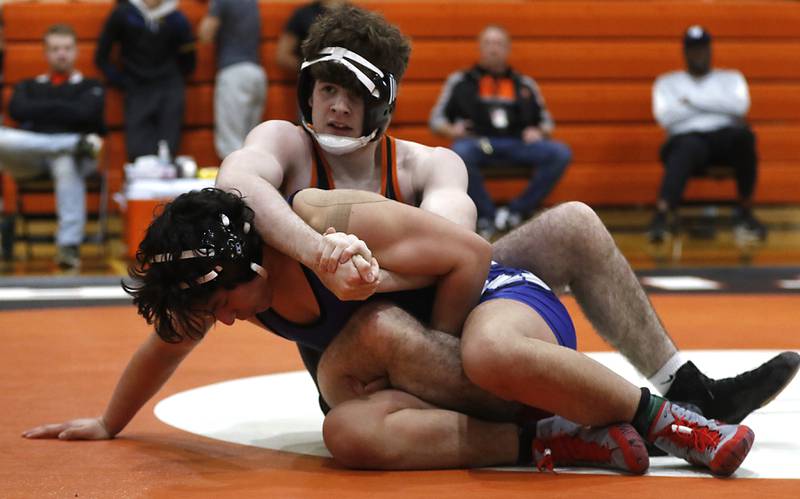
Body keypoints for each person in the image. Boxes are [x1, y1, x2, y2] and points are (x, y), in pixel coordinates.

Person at [214, 5, 800, 432]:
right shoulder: (285, 144)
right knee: (382, 324)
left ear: (385, 103)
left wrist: (372, 273)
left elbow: (458, 247)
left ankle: (687, 389)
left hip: (439, 325)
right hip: (361, 365)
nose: (338, 107)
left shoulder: (425, 165)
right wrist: (321, 255)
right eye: (326, 89)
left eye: (355, 93)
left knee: (571, 222)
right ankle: (598, 424)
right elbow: (235, 184)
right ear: (307, 91)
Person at [23, 187, 756, 477]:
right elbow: (168, 341)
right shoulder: (231, 282)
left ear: (248, 259)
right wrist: (107, 421)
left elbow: (470, 254)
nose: (224, 319)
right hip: (445, 377)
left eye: (221, 300)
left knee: (457, 343)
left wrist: (427, 345)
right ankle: (553, 439)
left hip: (496, 305)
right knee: (347, 431)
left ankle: (674, 423)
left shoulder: (330, 226)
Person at [429, 25, 572, 238]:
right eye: (488, 43)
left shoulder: (524, 84)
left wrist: (539, 132)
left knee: (560, 153)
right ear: (480, 48)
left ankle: (516, 212)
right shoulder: (461, 81)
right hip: (481, 144)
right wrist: (452, 129)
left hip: (518, 145)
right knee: (460, 152)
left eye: (499, 44)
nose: (493, 49)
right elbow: (436, 121)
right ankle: (487, 215)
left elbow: (547, 122)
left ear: (508, 49)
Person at [649, 25, 767, 243]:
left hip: (725, 138)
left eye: (703, 49)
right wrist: (718, 105)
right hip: (687, 140)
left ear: (711, 50)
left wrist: (690, 102)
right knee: (685, 148)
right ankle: (662, 214)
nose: (699, 54)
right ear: (684, 52)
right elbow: (664, 117)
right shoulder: (667, 82)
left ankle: (745, 211)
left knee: (745, 137)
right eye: (693, 50)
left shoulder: (731, 78)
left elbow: (740, 107)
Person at [0, 24, 105, 269]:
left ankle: (68, 246)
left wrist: (44, 109)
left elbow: (88, 114)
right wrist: (67, 114)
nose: (62, 54)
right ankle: (73, 143)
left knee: (65, 160)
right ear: (46, 53)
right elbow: (17, 110)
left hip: (78, 161)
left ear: (76, 51)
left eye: (67, 48)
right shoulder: (28, 84)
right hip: (32, 159)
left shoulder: (91, 85)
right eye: (56, 48)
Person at [94, 0, 195, 162]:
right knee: (139, 153)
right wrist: (123, 81)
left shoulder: (176, 18)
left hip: (169, 89)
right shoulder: (124, 13)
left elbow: (189, 59)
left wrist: (173, 80)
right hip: (137, 89)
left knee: (168, 150)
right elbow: (101, 57)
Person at [198, 0, 267, 161]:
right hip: (257, 73)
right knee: (252, 143)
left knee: (231, 144)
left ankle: (236, 184)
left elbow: (205, 35)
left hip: (234, 73)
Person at [274, 0, 347, 74]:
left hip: (348, 76)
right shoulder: (303, 15)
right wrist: (310, 68)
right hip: (313, 75)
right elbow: (283, 56)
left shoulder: (354, 15)